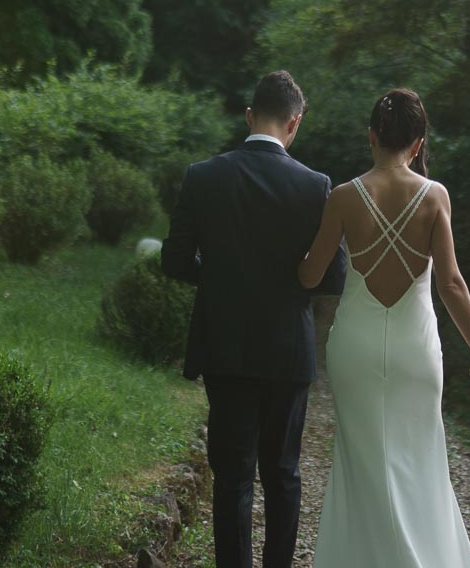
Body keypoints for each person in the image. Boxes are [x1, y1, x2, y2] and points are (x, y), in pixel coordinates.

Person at [297, 87, 470, 568]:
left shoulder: (343, 197)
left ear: (371, 136)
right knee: (421, 463)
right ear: (418, 144)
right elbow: (451, 283)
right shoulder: (435, 196)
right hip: (416, 350)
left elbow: (310, 276)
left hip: (355, 348)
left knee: (362, 464)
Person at [162, 70, 346, 568]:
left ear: (249, 116)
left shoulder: (203, 176)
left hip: (224, 345)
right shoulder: (315, 186)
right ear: (295, 123)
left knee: (233, 476)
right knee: (283, 473)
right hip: (287, 350)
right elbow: (333, 276)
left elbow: (173, 260)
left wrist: (220, 278)